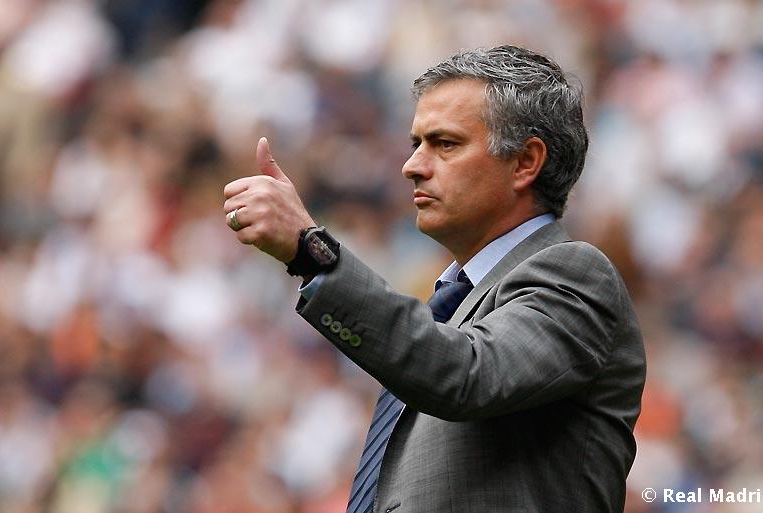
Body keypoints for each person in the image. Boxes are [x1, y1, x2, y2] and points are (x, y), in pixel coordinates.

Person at [223, 45, 645, 513]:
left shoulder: (576, 273)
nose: (413, 166)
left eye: (445, 144)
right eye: (416, 144)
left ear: (526, 162)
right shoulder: (451, 303)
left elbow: (466, 374)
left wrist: (312, 253)